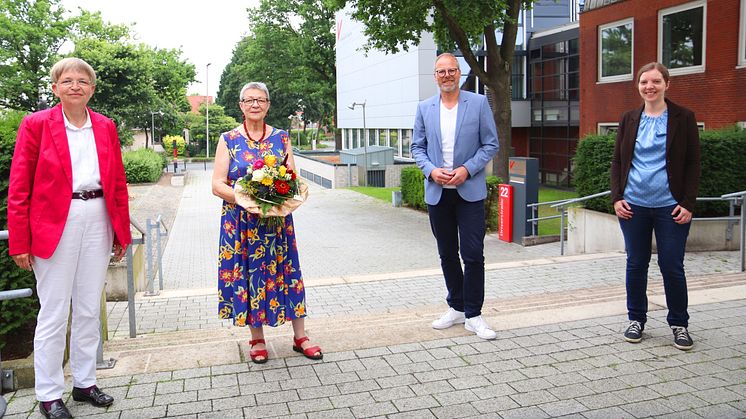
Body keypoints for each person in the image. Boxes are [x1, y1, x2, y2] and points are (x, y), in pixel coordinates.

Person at [8, 57, 131, 419]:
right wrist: (20, 241)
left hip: (97, 218)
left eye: (82, 81)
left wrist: (120, 230)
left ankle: (85, 382)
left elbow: (117, 181)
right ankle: (48, 393)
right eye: (67, 80)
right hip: (53, 225)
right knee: (54, 311)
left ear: (92, 89)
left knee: (90, 308)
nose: (75, 86)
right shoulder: (36, 125)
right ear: (55, 87)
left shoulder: (105, 126)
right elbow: (18, 186)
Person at [212, 82, 322, 363]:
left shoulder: (282, 138)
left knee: (288, 274)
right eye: (249, 100)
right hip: (241, 224)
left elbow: (292, 180)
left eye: (260, 100)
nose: (255, 105)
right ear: (241, 105)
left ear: (268, 104)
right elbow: (217, 185)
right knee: (250, 276)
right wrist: (246, 198)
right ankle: (257, 338)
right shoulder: (228, 139)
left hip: (276, 224)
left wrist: (277, 200)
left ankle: (301, 336)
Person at [611, 62, 701, 351]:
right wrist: (616, 198)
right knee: (636, 265)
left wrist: (687, 203)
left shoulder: (683, 117)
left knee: (671, 265)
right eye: (644, 82)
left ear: (666, 84)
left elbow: (693, 163)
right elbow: (617, 161)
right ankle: (636, 319)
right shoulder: (628, 118)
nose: (649, 87)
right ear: (638, 86)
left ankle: (679, 324)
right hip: (633, 206)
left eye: (655, 82)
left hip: (670, 208)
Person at [411, 53, 500, 340]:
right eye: (441, 71)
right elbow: (417, 148)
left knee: (472, 254)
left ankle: (474, 314)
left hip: (469, 192)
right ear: (435, 76)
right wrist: (431, 171)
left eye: (451, 70)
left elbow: (490, 144)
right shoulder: (425, 108)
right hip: (438, 193)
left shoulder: (478, 103)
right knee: (447, 254)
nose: (446, 75)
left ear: (459, 73)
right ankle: (457, 306)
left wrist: (467, 169)